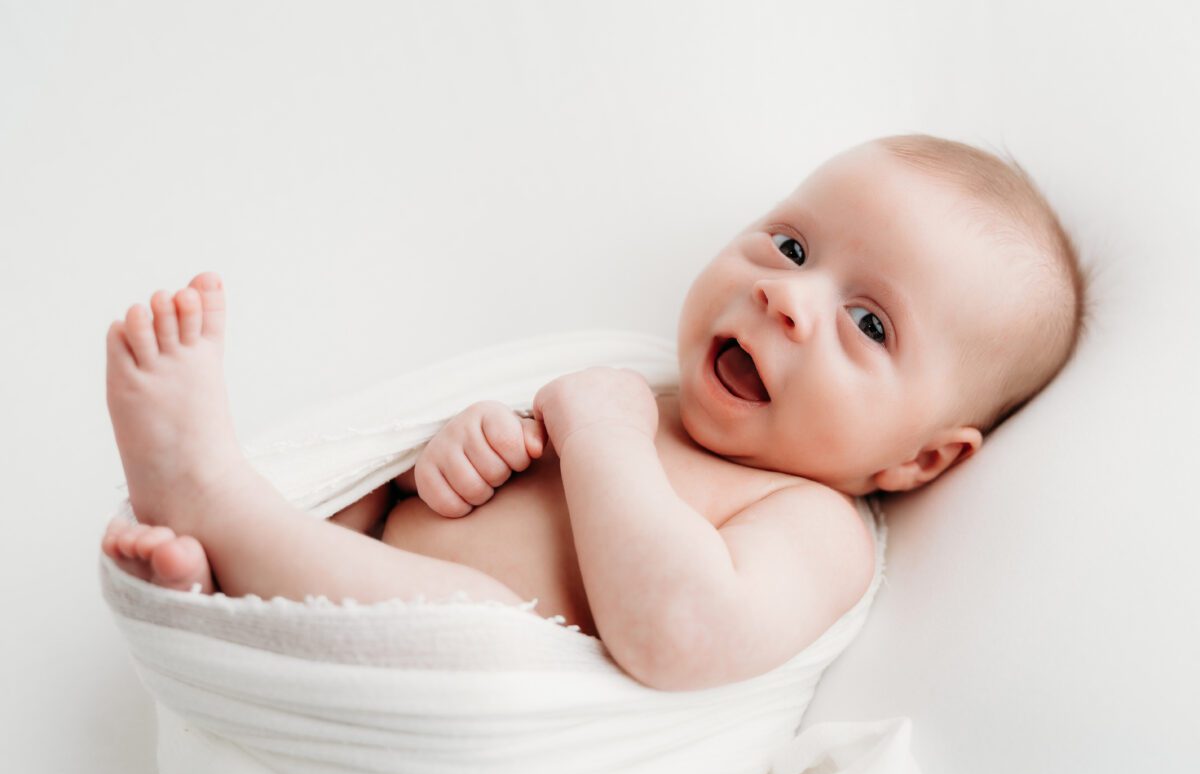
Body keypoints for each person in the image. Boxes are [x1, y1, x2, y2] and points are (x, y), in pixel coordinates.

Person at [100, 134, 1087, 691]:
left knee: (485, 631)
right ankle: (228, 581)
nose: (790, 298)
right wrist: (448, 461)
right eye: (791, 247)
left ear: (920, 462)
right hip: (346, 620)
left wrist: (605, 435)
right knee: (364, 508)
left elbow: (684, 634)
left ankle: (211, 497)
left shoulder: (816, 525)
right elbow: (447, 490)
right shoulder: (620, 380)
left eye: (868, 322)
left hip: (455, 688)